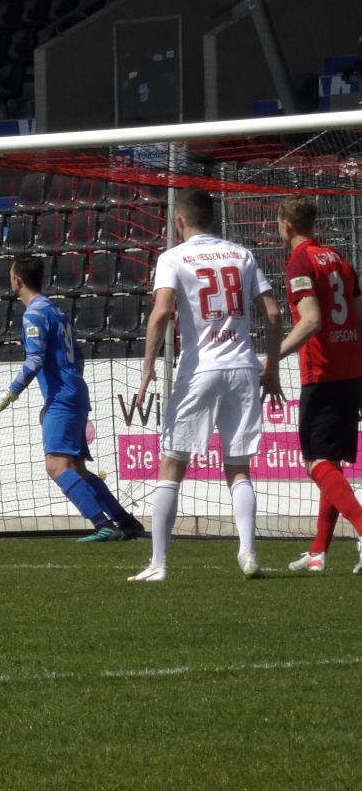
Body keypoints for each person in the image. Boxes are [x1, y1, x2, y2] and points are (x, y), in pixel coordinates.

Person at [129, 186, 283, 582]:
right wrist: (272, 367)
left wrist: (147, 369)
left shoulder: (173, 257)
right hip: (243, 368)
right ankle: (248, 552)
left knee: (171, 464)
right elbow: (273, 312)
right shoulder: (241, 254)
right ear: (212, 219)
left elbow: (162, 312)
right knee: (239, 467)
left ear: (179, 220)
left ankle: (159, 563)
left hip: (200, 370)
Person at [0, 255, 145, 542]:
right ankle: (126, 522)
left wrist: (6, 398)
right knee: (77, 469)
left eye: (10, 275)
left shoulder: (33, 314)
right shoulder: (56, 311)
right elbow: (78, 357)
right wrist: (68, 385)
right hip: (75, 392)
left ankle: (102, 525)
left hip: (63, 398)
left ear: (17, 279)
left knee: (55, 465)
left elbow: (34, 360)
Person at [272, 196, 362, 573]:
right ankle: (318, 550)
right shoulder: (339, 258)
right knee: (332, 463)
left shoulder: (300, 261)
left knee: (317, 462)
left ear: (287, 225)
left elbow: (310, 321)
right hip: (351, 369)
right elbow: (358, 315)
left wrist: (271, 357)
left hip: (323, 372)